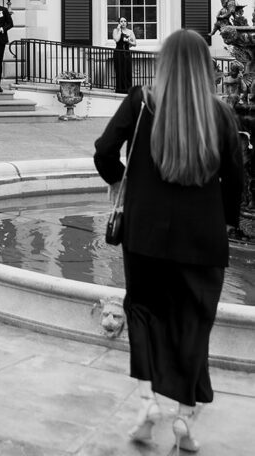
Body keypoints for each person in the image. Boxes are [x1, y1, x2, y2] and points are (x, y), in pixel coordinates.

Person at [93, 29, 242, 451]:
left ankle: (147, 406)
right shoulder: (221, 113)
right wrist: (225, 223)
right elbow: (235, 182)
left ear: (165, 62)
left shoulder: (142, 102)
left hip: (145, 233)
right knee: (193, 324)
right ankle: (186, 418)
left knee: (142, 315)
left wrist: (120, 179)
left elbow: (104, 150)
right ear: (205, 67)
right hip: (202, 239)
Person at [112, 16, 136, 93]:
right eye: (121, 21)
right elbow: (117, 39)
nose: (123, 23)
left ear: (127, 22)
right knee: (119, 70)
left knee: (127, 70)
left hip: (127, 53)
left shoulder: (130, 31)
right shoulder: (115, 30)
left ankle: (128, 89)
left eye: (124, 21)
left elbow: (134, 43)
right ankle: (119, 89)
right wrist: (119, 30)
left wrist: (129, 41)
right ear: (119, 23)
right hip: (118, 53)